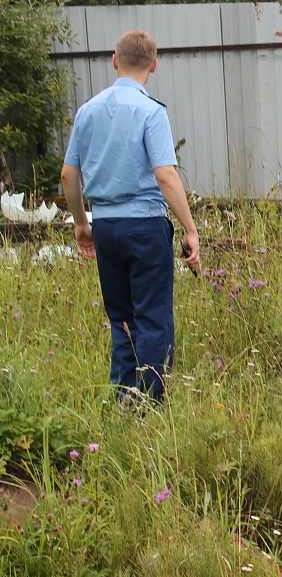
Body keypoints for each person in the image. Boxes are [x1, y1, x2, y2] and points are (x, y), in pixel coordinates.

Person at [61, 30, 201, 401]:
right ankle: (150, 403)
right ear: (153, 65)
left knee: (121, 317)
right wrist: (190, 228)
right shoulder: (151, 111)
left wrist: (81, 223)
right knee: (153, 317)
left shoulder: (87, 112)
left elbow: (68, 174)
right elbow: (165, 175)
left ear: (114, 60)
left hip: (105, 225)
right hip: (145, 225)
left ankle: (123, 394)